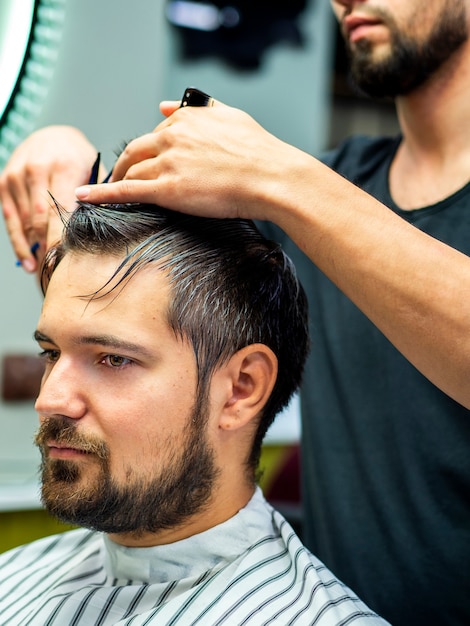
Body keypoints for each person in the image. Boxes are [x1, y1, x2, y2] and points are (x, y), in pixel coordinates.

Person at [2, 0, 470, 623]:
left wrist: (283, 180)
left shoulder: (306, 196)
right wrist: (61, 148)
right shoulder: (333, 191)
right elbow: (138, 323)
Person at [0, 200, 389, 625]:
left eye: (113, 359)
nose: (50, 400)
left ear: (241, 389)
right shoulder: (12, 577)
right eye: (51, 353)